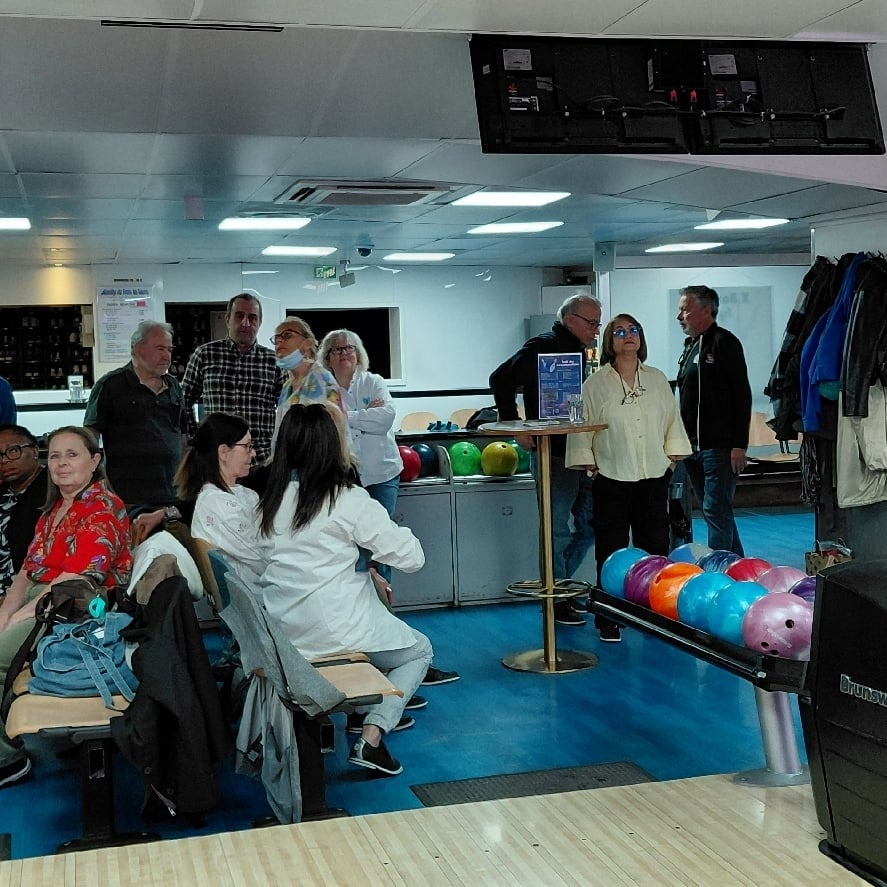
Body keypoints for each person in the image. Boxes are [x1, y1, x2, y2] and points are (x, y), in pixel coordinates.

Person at [256, 403, 431, 777]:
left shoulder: (268, 504)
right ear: (331, 447)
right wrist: (384, 540)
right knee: (419, 650)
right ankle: (372, 734)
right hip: (333, 636)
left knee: (372, 612)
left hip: (282, 636)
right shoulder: (347, 500)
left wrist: (362, 565)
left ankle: (359, 715)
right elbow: (412, 557)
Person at [320, 329, 460, 688]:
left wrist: (346, 417)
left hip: (381, 477)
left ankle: (387, 638)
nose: (343, 353)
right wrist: (364, 415)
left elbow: (386, 420)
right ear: (327, 356)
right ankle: (363, 647)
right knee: (353, 560)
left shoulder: (374, 381)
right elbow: (342, 421)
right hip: (344, 479)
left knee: (381, 557)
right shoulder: (322, 387)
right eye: (335, 349)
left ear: (358, 352)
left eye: (348, 347)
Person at [0, 426, 132, 787]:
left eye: (72, 454)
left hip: (78, 610)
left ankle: (7, 760)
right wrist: (4, 614)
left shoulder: (104, 508)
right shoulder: (55, 509)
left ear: (95, 461)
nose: (61, 463)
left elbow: (72, 581)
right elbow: (27, 573)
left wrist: (19, 619)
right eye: (54, 455)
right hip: (42, 601)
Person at [567, 315, 691, 641]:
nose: (627, 336)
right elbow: (582, 427)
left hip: (653, 475)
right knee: (611, 550)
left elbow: (671, 421)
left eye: (633, 330)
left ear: (641, 338)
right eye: (619, 332)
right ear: (609, 342)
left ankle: (657, 615)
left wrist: (671, 457)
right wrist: (589, 464)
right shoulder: (594, 385)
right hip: (611, 476)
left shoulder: (657, 379)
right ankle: (608, 618)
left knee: (655, 547)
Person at [489, 294, 603, 627]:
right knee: (557, 530)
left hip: (579, 450)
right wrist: (514, 425)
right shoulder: (543, 345)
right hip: (553, 454)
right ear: (572, 321)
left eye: (599, 323)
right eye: (592, 323)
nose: (597, 329)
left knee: (588, 524)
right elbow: (500, 379)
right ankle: (557, 598)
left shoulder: (579, 351)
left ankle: (562, 588)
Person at [85, 320, 188, 526]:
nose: (167, 356)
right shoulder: (110, 386)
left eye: (169, 349)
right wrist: (102, 486)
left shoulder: (174, 386)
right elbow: (89, 440)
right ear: (138, 349)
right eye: (160, 349)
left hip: (172, 496)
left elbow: (182, 435)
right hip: (128, 498)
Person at [676, 285, 752, 556]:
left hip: (719, 446)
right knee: (716, 511)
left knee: (715, 508)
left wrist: (739, 444)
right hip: (692, 446)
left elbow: (742, 395)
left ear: (706, 310)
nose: (679, 316)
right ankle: (737, 567)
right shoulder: (690, 347)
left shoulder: (724, 343)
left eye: (685, 309)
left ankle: (720, 568)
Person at [181, 293, 281, 464]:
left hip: (261, 461)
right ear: (227, 319)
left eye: (252, 317)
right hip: (217, 460)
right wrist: (195, 437)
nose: (245, 323)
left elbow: (287, 407)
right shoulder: (205, 355)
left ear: (260, 322)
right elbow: (183, 400)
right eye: (239, 316)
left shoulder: (275, 362)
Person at [177, 411, 264, 589]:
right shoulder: (216, 503)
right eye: (247, 446)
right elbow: (260, 559)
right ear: (223, 451)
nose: (253, 453)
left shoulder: (245, 494)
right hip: (255, 603)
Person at [271, 316, 341, 448]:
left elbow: (328, 436)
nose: (279, 340)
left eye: (287, 335)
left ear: (308, 343)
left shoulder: (321, 379)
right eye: (276, 338)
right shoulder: (287, 386)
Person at [0, 424, 46, 596]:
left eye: (13, 451)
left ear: (35, 451)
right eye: (0, 455)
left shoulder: (53, 490)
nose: (4, 460)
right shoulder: (4, 492)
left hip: (25, 589)